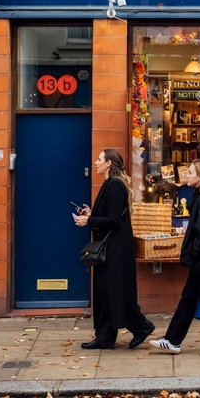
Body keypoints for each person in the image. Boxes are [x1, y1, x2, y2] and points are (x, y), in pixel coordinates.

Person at [149, 159, 200, 358]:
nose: (187, 175)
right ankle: (172, 340)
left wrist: (192, 253)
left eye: (191, 172)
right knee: (189, 298)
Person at [73, 148, 155, 350]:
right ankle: (106, 337)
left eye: (99, 159)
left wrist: (88, 220)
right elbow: (110, 214)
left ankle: (140, 326)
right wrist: (92, 213)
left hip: (115, 250)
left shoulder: (115, 185)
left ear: (109, 163)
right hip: (111, 248)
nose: (96, 162)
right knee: (106, 292)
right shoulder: (110, 184)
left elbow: (113, 220)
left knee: (112, 291)